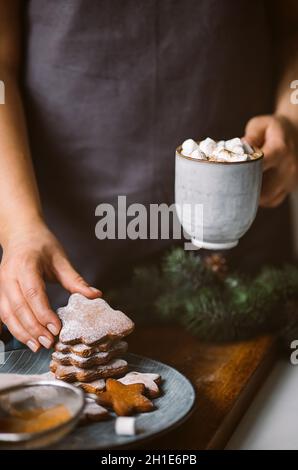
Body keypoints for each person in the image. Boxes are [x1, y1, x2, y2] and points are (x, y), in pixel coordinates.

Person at [0, 0, 298, 352]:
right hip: (65, 259)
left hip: (244, 270)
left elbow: (291, 31)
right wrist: (19, 227)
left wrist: (292, 116)